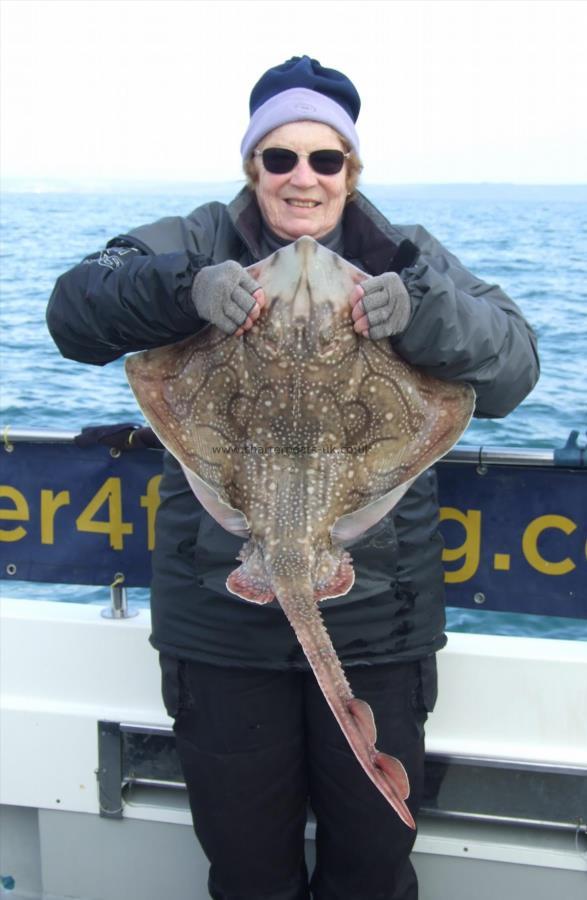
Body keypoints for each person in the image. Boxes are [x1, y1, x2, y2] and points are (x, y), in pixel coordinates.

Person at [47, 56, 539, 900]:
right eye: (279, 158)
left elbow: (512, 367)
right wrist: (181, 292)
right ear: (253, 167)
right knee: (248, 873)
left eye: (326, 158)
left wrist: (421, 315)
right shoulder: (196, 241)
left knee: (370, 870)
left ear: (351, 169)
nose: (302, 177)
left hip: (379, 627)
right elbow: (74, 309)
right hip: (222, 636)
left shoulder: (406, 258)